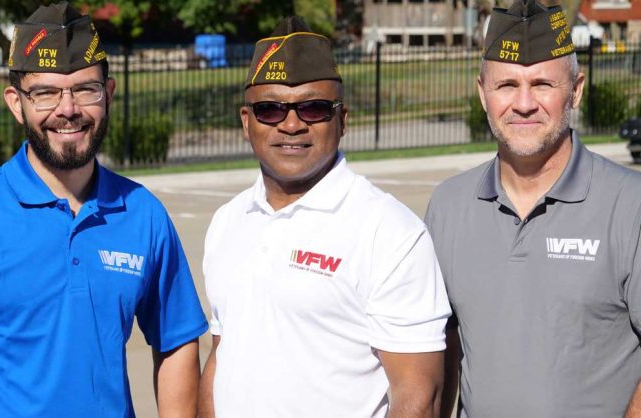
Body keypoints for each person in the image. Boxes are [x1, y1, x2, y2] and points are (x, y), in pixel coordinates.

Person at [0, 3, 208, 416]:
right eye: (46, 92)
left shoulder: (144, 215)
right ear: (16, 103)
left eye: (86, 89)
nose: (68, 109)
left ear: (110, 94)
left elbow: (176, 339)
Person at [198, 16, 451, 418]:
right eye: (270, 109)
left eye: (314, 108)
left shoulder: (389, 231)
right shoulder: (228, 221)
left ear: (343, 120)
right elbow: (222, 356)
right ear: (247, 122)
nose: (292, 124)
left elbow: (420, 395)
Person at [425, 0, 641, 416]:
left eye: (542, 84)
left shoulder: (629, 205)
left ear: (575, 90)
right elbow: (438, 349)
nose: (523, 103)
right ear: (482, 93)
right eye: (506, 85)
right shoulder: (448, 207)